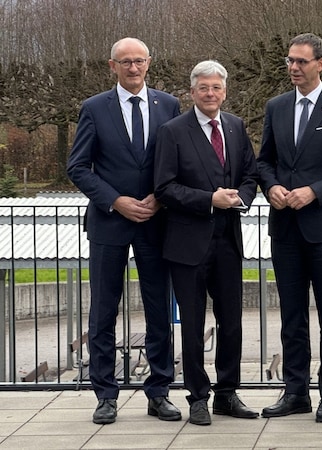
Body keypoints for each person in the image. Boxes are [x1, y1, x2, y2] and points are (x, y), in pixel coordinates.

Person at [66, 37, 182, 425]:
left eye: (139, 61)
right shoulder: (94, 108)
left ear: (149, 63)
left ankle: (159, 391)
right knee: (102, 312)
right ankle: (105, 395)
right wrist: (115, 200)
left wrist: (160, 199)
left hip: (155, 221)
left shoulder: (168, 105)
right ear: (112, 66)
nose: (133, 68)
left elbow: (178, 162)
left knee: (158, 311)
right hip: (109, 223)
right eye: (125, 62)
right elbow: (78, 167)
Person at [258, 33, 322, 423]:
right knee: (291, 315)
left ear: (321, 63)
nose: (294, 68)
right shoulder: (276, 107)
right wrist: (272, 187)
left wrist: (314, 192)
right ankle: (295, 391)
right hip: (285, 227)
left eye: (301, 61)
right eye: (289, 61)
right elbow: (264, 160)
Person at [153, 60, 259, 426]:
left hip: (228, 239)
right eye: (204, 88)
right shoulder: (172, 131)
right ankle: (198, 396)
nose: (210, 94)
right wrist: (208, 199)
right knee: (193, 325)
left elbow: (250, 173)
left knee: (231, 323)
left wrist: (241, 198)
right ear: (192, 92)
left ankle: (227, 394)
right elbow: (164, 187)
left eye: (216, 88)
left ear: (224, 91)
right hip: (187, 244)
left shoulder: (235, 126)